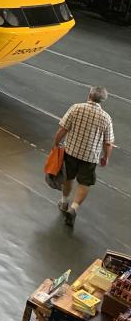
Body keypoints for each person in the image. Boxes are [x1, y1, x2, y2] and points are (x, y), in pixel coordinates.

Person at [52, 86, 115, 229]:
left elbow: (63, 128)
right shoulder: (106, 117)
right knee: (84, 183)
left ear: (89, 95)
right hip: (90, 157)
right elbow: (108, 142)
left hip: (71, 152)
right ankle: (73, 208)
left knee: (68, 178)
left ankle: (64, 202)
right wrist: (106, 157)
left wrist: (56, 143)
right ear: (102, 100)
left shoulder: (76, 108)